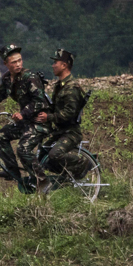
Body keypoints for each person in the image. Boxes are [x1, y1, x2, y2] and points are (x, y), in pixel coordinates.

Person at [0, 44, 49, 183]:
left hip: (40, 121)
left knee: (23, 149)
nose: (18, 64)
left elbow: (40, 101)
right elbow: (0, 94)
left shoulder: (30, 77)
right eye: (14, 62)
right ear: (6, 64)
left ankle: (41, 180)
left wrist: (23, 113)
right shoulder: (7, 79)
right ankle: (12, 171)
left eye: (20, 60)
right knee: (1, 136)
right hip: (26, 121)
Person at [35, 49, 90, 188]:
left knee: (54, 155)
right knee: (43, 159)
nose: (53, 65)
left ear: (64, 65)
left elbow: (69, 114)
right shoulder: (60, 86)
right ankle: (66, 177)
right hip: (60, 132)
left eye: (55, 62)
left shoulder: (71, 87)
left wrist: (49, 117)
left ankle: (82, 163)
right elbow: (55, 108)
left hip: (71, 132)